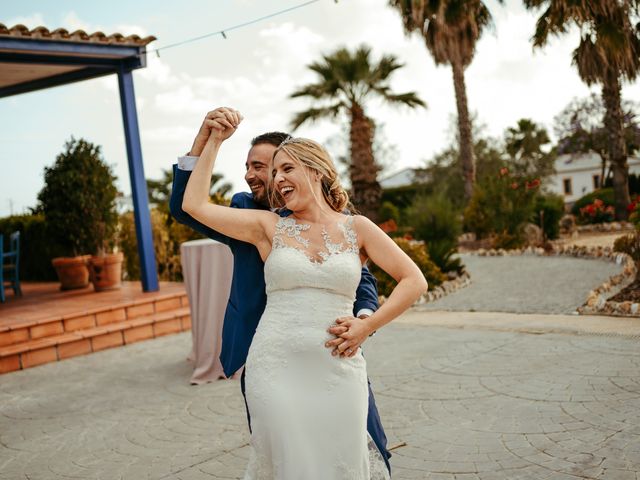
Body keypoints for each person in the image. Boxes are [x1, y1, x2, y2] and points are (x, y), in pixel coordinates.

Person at [181, 107, 428, 479]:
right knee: (291, 465)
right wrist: (213, 139)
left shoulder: (357, 227)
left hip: (338, 369)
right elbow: (193, 205)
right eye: (274, 171)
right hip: (275, 368)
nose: (277, 179)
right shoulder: (268, 227)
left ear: (315, 169)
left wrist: (367, 325)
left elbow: (414, 281)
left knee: (341, 462)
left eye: (286, 168)